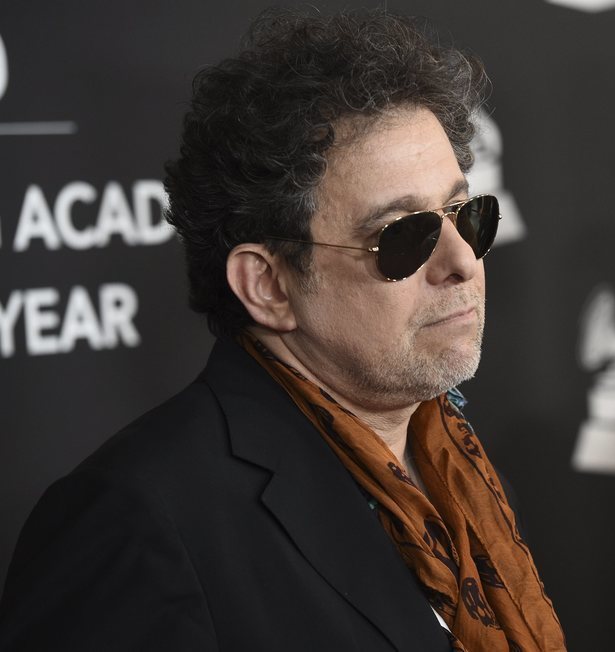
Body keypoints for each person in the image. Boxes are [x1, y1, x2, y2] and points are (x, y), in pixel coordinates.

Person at [0, 9, 565, 652]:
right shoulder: (137, 520)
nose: (463, 261)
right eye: (403, 236)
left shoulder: (463, 472)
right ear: (268, 286)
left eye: (464, 213)